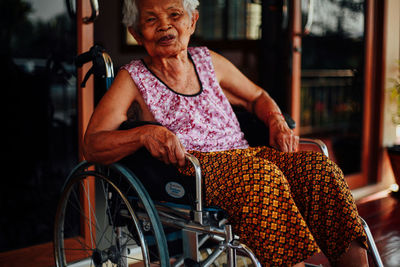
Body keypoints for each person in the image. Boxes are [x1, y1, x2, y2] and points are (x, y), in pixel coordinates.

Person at [83, 0, 369, 266]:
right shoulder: (132, 77)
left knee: (318, 169)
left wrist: (276, 121)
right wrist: (143, 134)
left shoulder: (207, 60)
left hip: (249, 157)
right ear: (135, 33)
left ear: (192, 21)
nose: (164, 25)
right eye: (150, 19)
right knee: (260, 176)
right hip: (193, 170)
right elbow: (93, 145)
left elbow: (256, 96)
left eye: (174, 14)